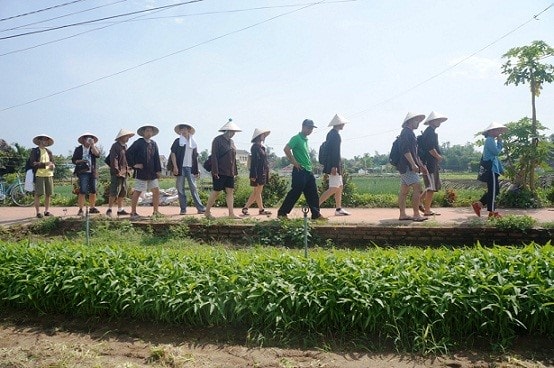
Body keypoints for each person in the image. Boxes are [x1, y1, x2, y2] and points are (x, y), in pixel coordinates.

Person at [277, 119, 326, 221]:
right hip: (300, 171)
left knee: (312, 193)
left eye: (312, 128)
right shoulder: (296, 138)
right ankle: (282, 213)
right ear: (303, 127)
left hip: (308, 170)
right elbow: (286, 149)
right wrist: (294, 162)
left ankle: (316, 214)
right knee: (296, 191)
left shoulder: (305, 140)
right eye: (308, 128)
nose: (310, 130)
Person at [204, 119, 241, 219]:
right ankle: (207, 212)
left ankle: (231, 213)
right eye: (232, 131)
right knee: (216, 191)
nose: (233, 134)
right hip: (219, 171)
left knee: (230, 191)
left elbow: (233, 158)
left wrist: (234, 171)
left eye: (234, 132)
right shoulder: (217, 140)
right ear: (227, 131)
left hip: (230, 172)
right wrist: (215, 171)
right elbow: (214, 156)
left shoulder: (231, 142)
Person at [396, 112, 428, 222]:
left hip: (405, 166)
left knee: (404, 191)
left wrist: (421, 165)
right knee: (417, 187)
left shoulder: (410, 133)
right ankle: (416, 214)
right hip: (407, 166)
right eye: (416, 120)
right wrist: (413, 164)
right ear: (409, 121)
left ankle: (403, 214)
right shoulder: (406, 132)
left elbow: (415, 153)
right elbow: (406, 150)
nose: (418, 123)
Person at [126, 125, 162, 220]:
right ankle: (133, 212)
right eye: (147, 131)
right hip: (141, 172)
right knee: (138, 191)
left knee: (156, 191)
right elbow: (128, 153)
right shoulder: (139, 142)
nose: (149, 132)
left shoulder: (154, 144)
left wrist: (158, 170)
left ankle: (156, 211)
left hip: (152, 172)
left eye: (151, 131)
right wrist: (134, 165)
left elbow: (156, 158)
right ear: (143, 132)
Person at [472, 122, 507, 218]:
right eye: (497, 130)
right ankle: (492, 212)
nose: (499, 132)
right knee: (493, 191)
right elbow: (496, 152)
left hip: (493, 170)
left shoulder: (491, 140)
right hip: (491, 170)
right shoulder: (489, 140)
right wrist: (500, 142)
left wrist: (501, 169)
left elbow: (495, 158)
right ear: (491, 131)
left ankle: (479, 204)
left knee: (495, 191)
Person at [170, 123, 206, 215]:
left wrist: (196, 169)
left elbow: (195, 157)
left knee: (193, 188)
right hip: (180, 167)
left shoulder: (193, 143)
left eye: (185, 129)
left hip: (190, 167)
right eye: (181, 129)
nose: (183, 131)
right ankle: (183, 209)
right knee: (180, 188)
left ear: (189, 130)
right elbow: (173, 154)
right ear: (180, 131)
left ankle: (200, 208)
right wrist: (175, 166)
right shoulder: (177, 141)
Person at [319, 114, 350, 216]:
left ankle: (338, 208)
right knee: (334, 187)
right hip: (334, 165)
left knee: (339, 186)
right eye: (342, 123)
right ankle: (315, 205)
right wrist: (334, 166)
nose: (343, 125)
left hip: (335, 164)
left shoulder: (332, 134)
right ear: (338, 124)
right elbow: (334, 152)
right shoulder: (334, 135)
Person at [418, 111, 447, 216]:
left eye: (439, 120)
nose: (439, 122)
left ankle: (419, 202)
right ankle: (427, 210)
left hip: (430, 163)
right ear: (431, 121)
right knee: (431, 187)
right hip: (429, 163)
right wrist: (438, 157)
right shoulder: (430, 132)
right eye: (437, 120)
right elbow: (430, 149)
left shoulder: (429, 132)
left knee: (431, 186)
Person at [242, 128, 272, 216]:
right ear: (259, 136)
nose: (264, 136)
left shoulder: (261, 147)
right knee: (257, 192)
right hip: (258, 172)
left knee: (257, 191)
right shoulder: (255, 147)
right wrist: (253, 174)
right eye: (263, 135)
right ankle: (245, 207)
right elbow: (254, 162)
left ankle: (261, 209)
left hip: (262, 171)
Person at [106, 128, 135, 217]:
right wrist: (116, 170)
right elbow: (113, 159)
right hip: (117, 172)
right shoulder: (115, 146)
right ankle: (109, 209)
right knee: (114, 191)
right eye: (127, 136)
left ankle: (120, 209)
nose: (128, 138)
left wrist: (129, 169)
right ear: (121, 137)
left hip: (125, 171)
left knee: (123, 191)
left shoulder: (125, 147)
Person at [72, 132, 100, 216]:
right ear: (83, 140)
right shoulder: (79, 149)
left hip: (92, 171)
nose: (88, 139)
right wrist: (82, 161)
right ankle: (80, 209)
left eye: (90, 138)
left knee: (93, 190)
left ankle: (92, 207)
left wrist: (92, 145)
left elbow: (97, 154)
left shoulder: (93, 148)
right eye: (87, 138)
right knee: (83, 190)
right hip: (82, 171)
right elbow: (74, 160)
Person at [30, 134, 55, 218]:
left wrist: (53, 166)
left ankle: (46, 211)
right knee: (38, 193)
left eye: (47, 140)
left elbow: (53, 163)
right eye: (44, 139)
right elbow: (33, 163)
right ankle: (38, 212)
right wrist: (45, 164)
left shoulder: (49, 152)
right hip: (39, 174)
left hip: (49, 174)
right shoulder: (35, 151)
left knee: (48, 193)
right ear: (40, 140)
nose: (46, 141)